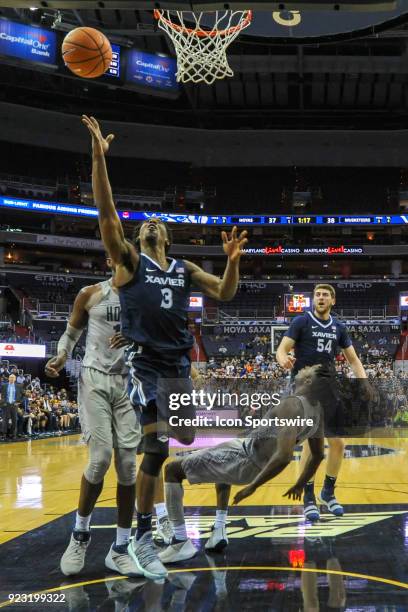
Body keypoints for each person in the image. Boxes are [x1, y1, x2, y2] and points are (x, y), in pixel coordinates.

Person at [82, 114, 248, 580]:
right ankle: (140, 537)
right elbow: (106, 212)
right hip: (147, 367)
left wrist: (233, 262)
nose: (151, 223)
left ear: (168, 238)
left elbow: (226, 293)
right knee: (153, 449)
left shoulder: (183, 267)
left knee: (187, 439)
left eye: (158, 221)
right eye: (146, 222)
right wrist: (98, 158)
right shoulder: (130, 261)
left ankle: (158, 515)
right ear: (136, 239)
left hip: (178, 368)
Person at [158, 364, 325, 563]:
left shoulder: (293, 404)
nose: (301, 368)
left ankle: (179, 541)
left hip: (246, 458)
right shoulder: (317, 411)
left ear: (308, 381)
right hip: (247, 452)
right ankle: (219, 529)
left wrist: (252, 488)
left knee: (172, 470)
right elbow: (317, 455)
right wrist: (300, 484)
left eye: (307, 369)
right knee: (221, 469)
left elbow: (284, 455)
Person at [45, 258, 141, 577]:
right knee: (99, 458)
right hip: (94, 378)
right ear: (110, 259)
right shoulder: (90, 294)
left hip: (129, 382)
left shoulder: (145, 297)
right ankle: (80, 535)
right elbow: (70, 335)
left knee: (128, 466)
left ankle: (120, 548)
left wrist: (138, 340)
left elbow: (162, 339)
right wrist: (62, 355)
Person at [276, 283, 370, 521]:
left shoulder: (339, 327)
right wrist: (283, 358)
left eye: (325, 295)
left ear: (332, 301)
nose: (320, 297)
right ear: (313, 300)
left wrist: (364, 383)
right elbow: (282, 348)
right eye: (317, 294)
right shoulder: (301, 322)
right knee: (311, 443)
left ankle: (328, 492)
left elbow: (353, 359)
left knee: (338, 443)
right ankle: (308, 496)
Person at [0, 373, 24, 441]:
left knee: (14, 420)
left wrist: (19, 402)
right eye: (10, 377)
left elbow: (23, 394)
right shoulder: (4, 385)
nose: (11, 379)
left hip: (14, 405)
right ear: (8, 378)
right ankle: (4, 435)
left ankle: (13, 434)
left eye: (13, 377)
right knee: (5, 420)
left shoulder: (19, 386)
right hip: (5, 404)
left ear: (15, 379)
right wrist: (2, 402)